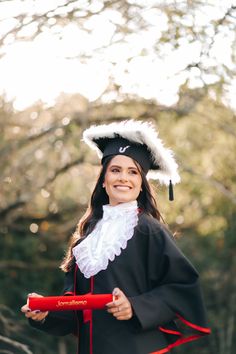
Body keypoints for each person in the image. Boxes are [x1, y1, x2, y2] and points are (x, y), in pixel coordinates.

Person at [21, 120, 210, 354]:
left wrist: (135, 307)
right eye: (115, 170)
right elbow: (77, 313)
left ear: (142, 184)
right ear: (103, 179)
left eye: (133, 172)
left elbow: (183, 287)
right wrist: (46, 314)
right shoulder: (86, 238)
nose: (123, 178)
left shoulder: (148, 230)